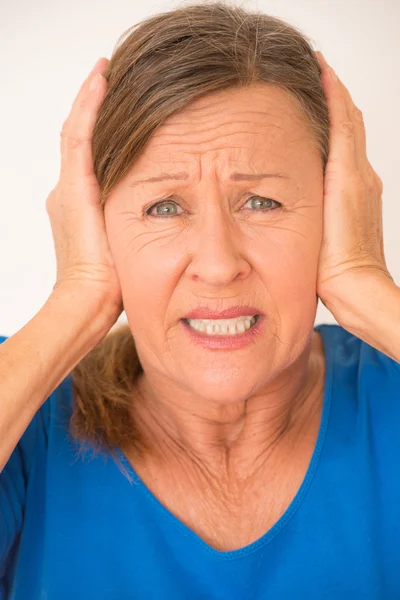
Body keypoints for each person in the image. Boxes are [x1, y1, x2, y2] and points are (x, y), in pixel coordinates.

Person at [1, 1, 400, 598]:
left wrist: (365, 280)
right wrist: (76, 298)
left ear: (338, 211)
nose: (217, 266)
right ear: (95, 225)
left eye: (261, 202)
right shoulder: (24, 404)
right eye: (164, 207)